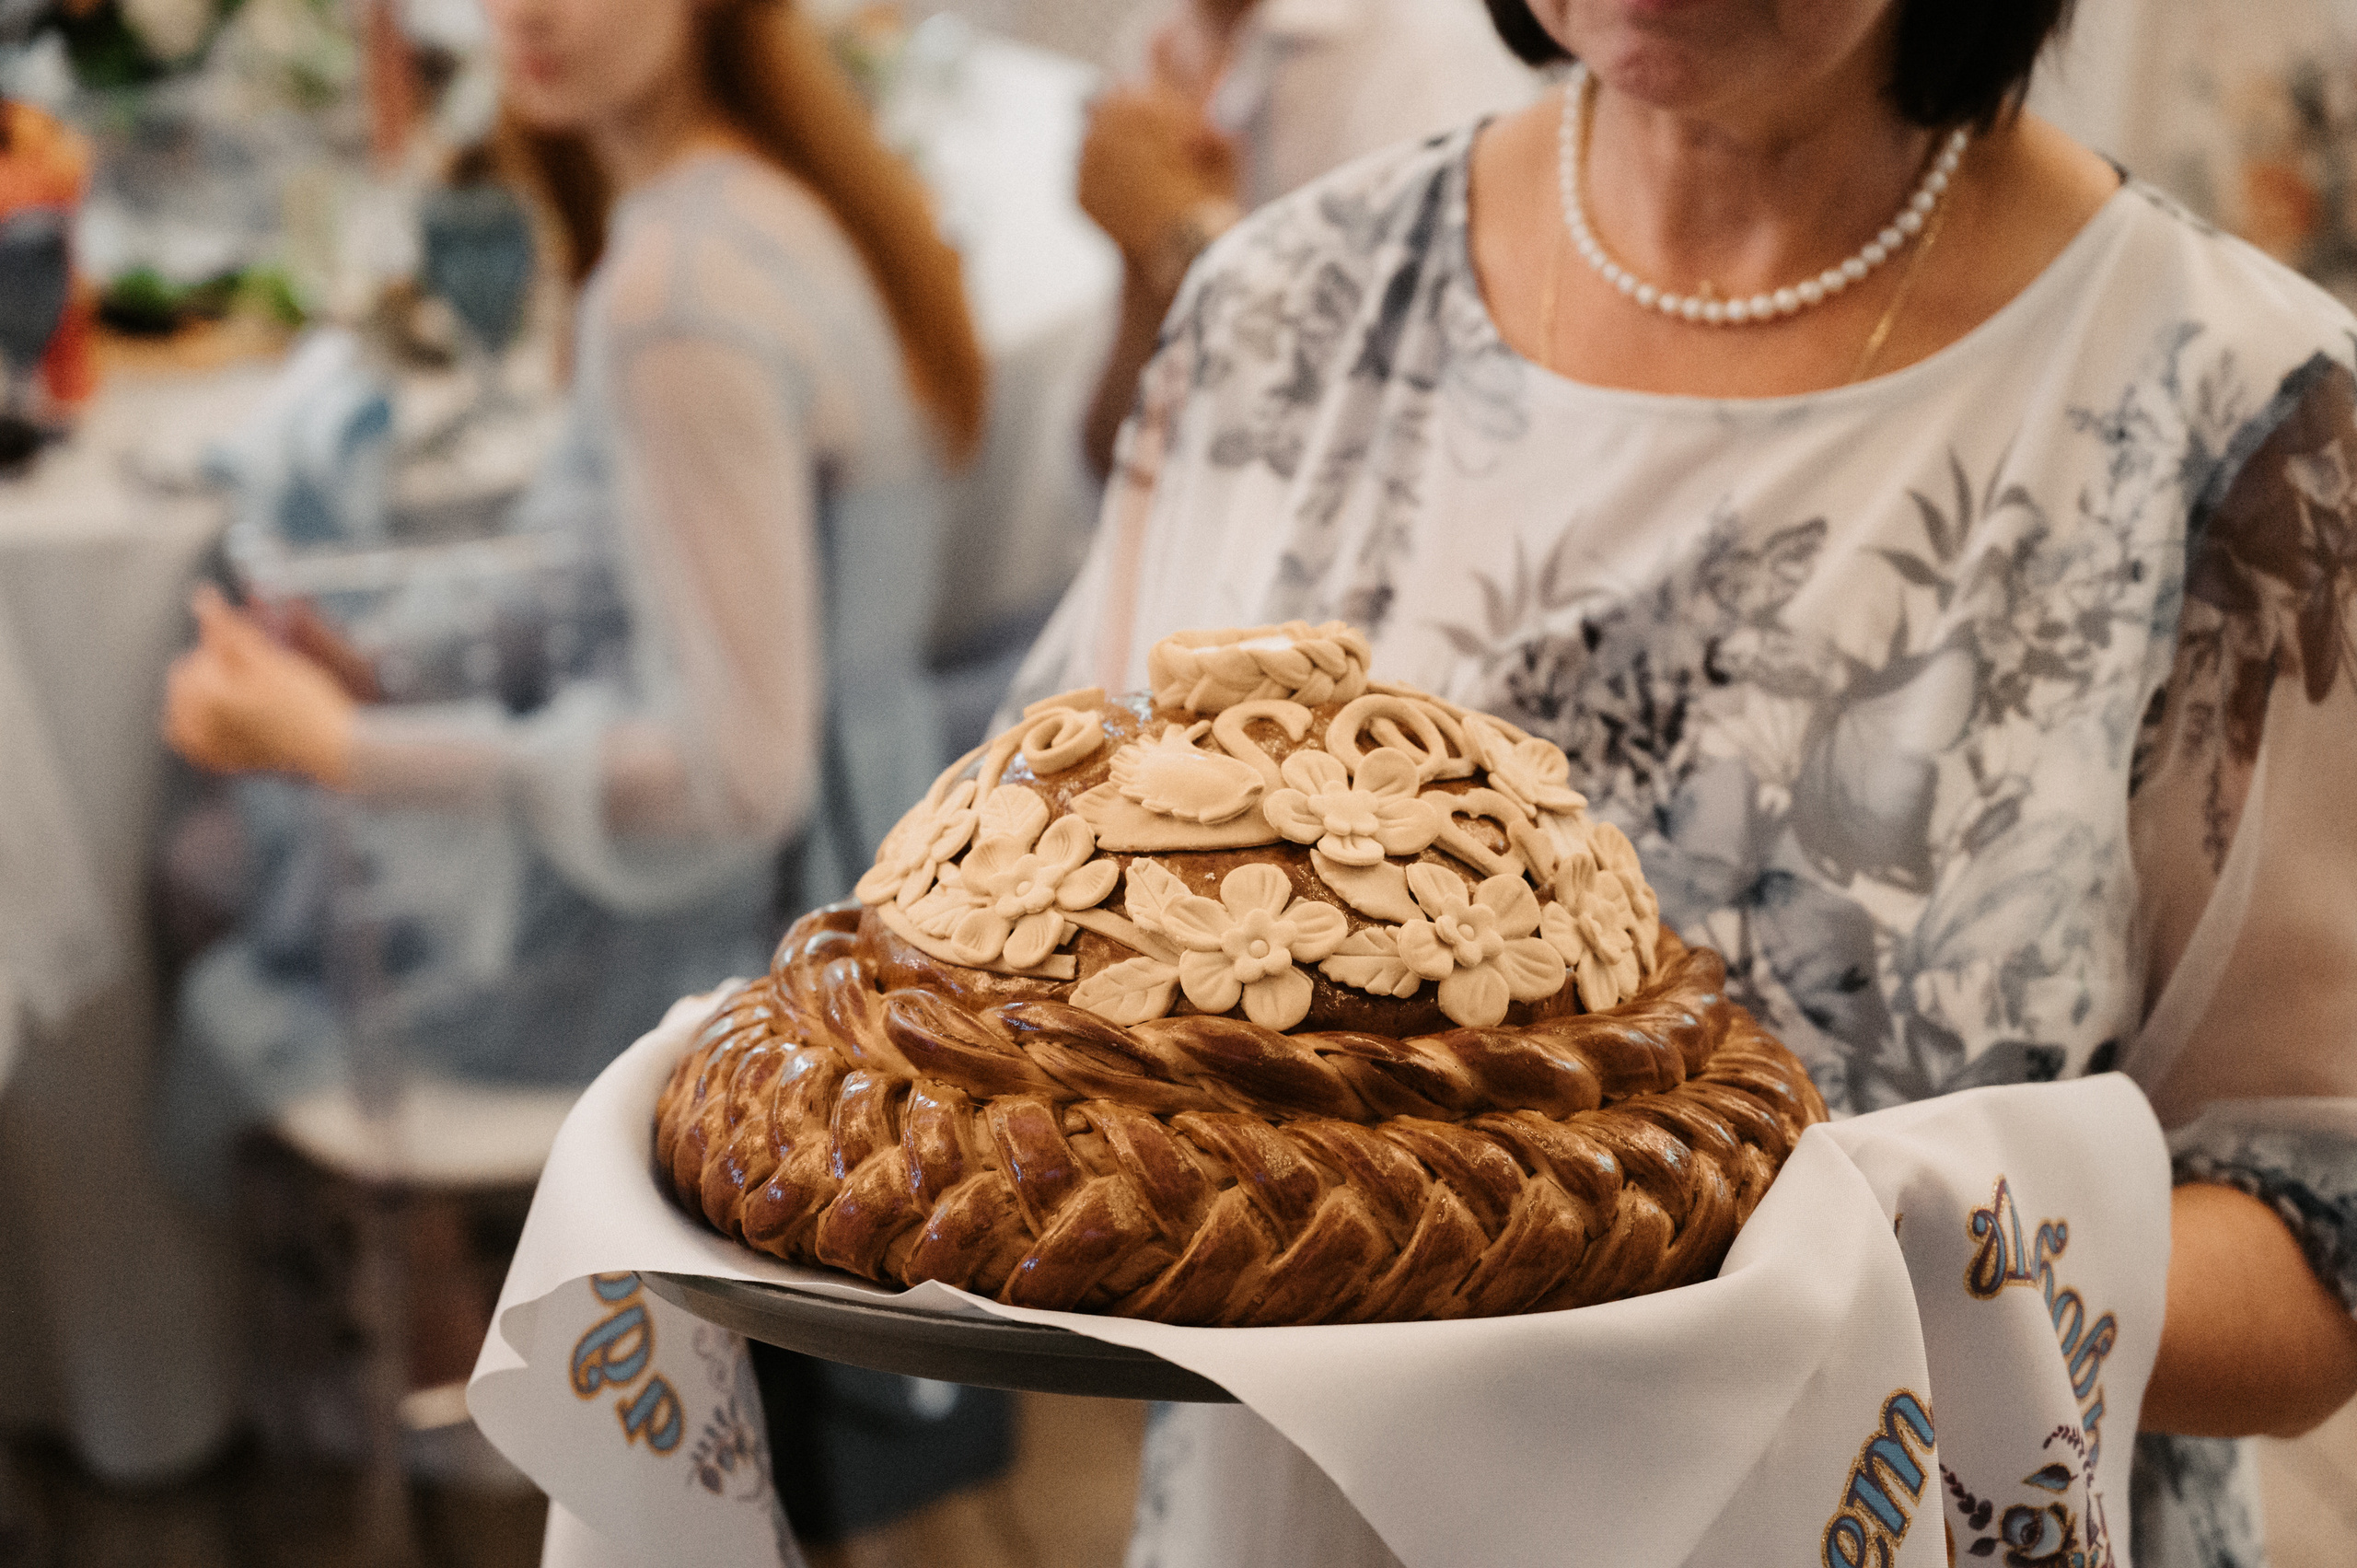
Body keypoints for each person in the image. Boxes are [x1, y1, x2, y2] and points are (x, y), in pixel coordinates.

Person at [1011, 2, 2357, 1562]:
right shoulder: (1281, 310)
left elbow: (2318, 1231)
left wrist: (1810, 1265)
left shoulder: (2250, 424)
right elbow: (1045, 964)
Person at [161, 0, 1007, 1551]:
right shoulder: (786, 192)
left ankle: (469, 1390)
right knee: (256, 839)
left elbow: (730, 770)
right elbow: (655, 596)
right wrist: (391, 674)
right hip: (867, 843)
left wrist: (339, 743)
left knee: (220, 867)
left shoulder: (678, 292)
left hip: (760, 933)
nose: (530, 13)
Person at [1076, 0, 1537, 477]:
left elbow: (1429, 428)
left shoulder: (1430, 61)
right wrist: (1143, 262)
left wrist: (1184, 232)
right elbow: (1114, 457)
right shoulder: (1170, 35)